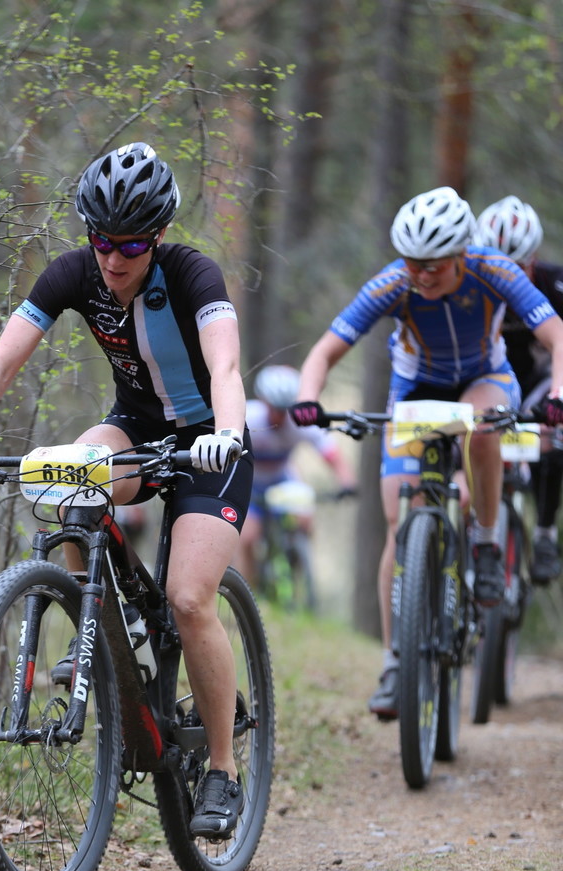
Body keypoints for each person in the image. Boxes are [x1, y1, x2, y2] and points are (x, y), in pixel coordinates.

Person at [0, 141, 254, 840]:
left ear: (158, 235)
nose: (114, 258)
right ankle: (102, 621)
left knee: (190, 600)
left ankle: (223, 771)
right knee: (71, 476)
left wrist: (226, 432)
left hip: (208, 443)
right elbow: (2, 361)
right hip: (136, 428)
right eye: (102, 241)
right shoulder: (72, 274)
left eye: (131, 244)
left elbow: (225, 368)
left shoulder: (193, 273)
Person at [290, 186, 563, 719]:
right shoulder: (395, 281)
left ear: (461, 254)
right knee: (399, 524)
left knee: (484, 428)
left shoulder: (494, 270)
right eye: (413, 262)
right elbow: (325, 350)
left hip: (484, 377)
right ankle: (396, 663)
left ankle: (485, 542)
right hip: (415, 388)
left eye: (433, 265)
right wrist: (307, 397)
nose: (420, 275)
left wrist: (557, 393)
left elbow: (556, 335)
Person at [475, 195, 563, 584]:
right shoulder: (469, 286)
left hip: (541, 380)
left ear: (534, 259)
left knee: (550, 437)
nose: (505, 279)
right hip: (490, 382)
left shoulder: (554, 284)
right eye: (494, 267)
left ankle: (544, 533)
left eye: (517, 268)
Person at [235, 364, 355, 587]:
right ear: (263, 402)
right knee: (248, 537)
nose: (280, 416)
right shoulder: (247, 418)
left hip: (282, 478)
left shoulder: (301, 423)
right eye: (274, 408)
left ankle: (299, 572)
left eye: (285, 409)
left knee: (304, 520)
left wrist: (346, 482)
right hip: (249, 482)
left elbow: (331, 453)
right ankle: (248, 589)